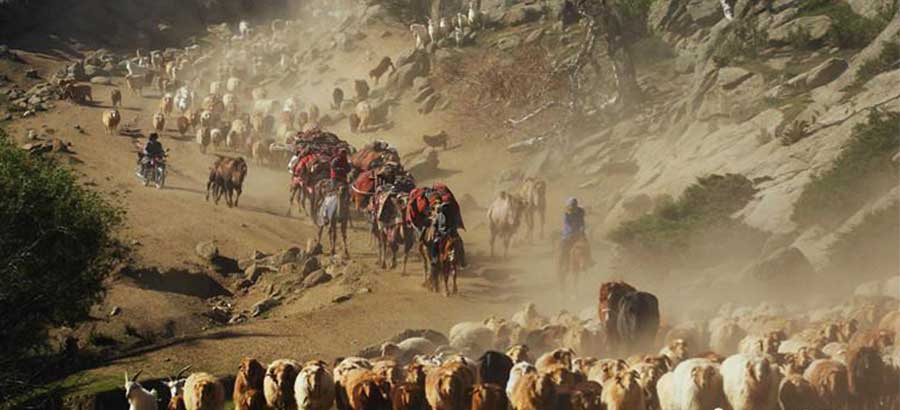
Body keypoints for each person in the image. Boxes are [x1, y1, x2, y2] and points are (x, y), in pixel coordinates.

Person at [558, 197, 592, 273]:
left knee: (586, 245)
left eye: (574, 205)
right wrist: (573, 232)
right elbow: (567, 224)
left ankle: (589, 260)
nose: (573, 206)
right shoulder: (567, 213)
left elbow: (582, 222)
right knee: (563, 249)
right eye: (572, 205)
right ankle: (561, 264)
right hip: (567, 235)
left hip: (579, 234)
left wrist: (582, 229)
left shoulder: (580, 212)